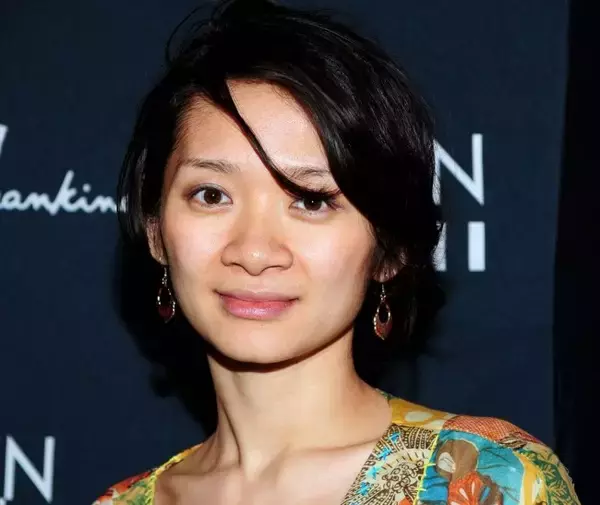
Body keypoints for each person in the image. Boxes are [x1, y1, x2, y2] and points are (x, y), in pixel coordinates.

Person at [94, 0, 580, 503]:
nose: (254, 252)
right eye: (212, 195)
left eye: (311, 200)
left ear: (388, 248)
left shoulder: (488, 482)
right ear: (156, 230)